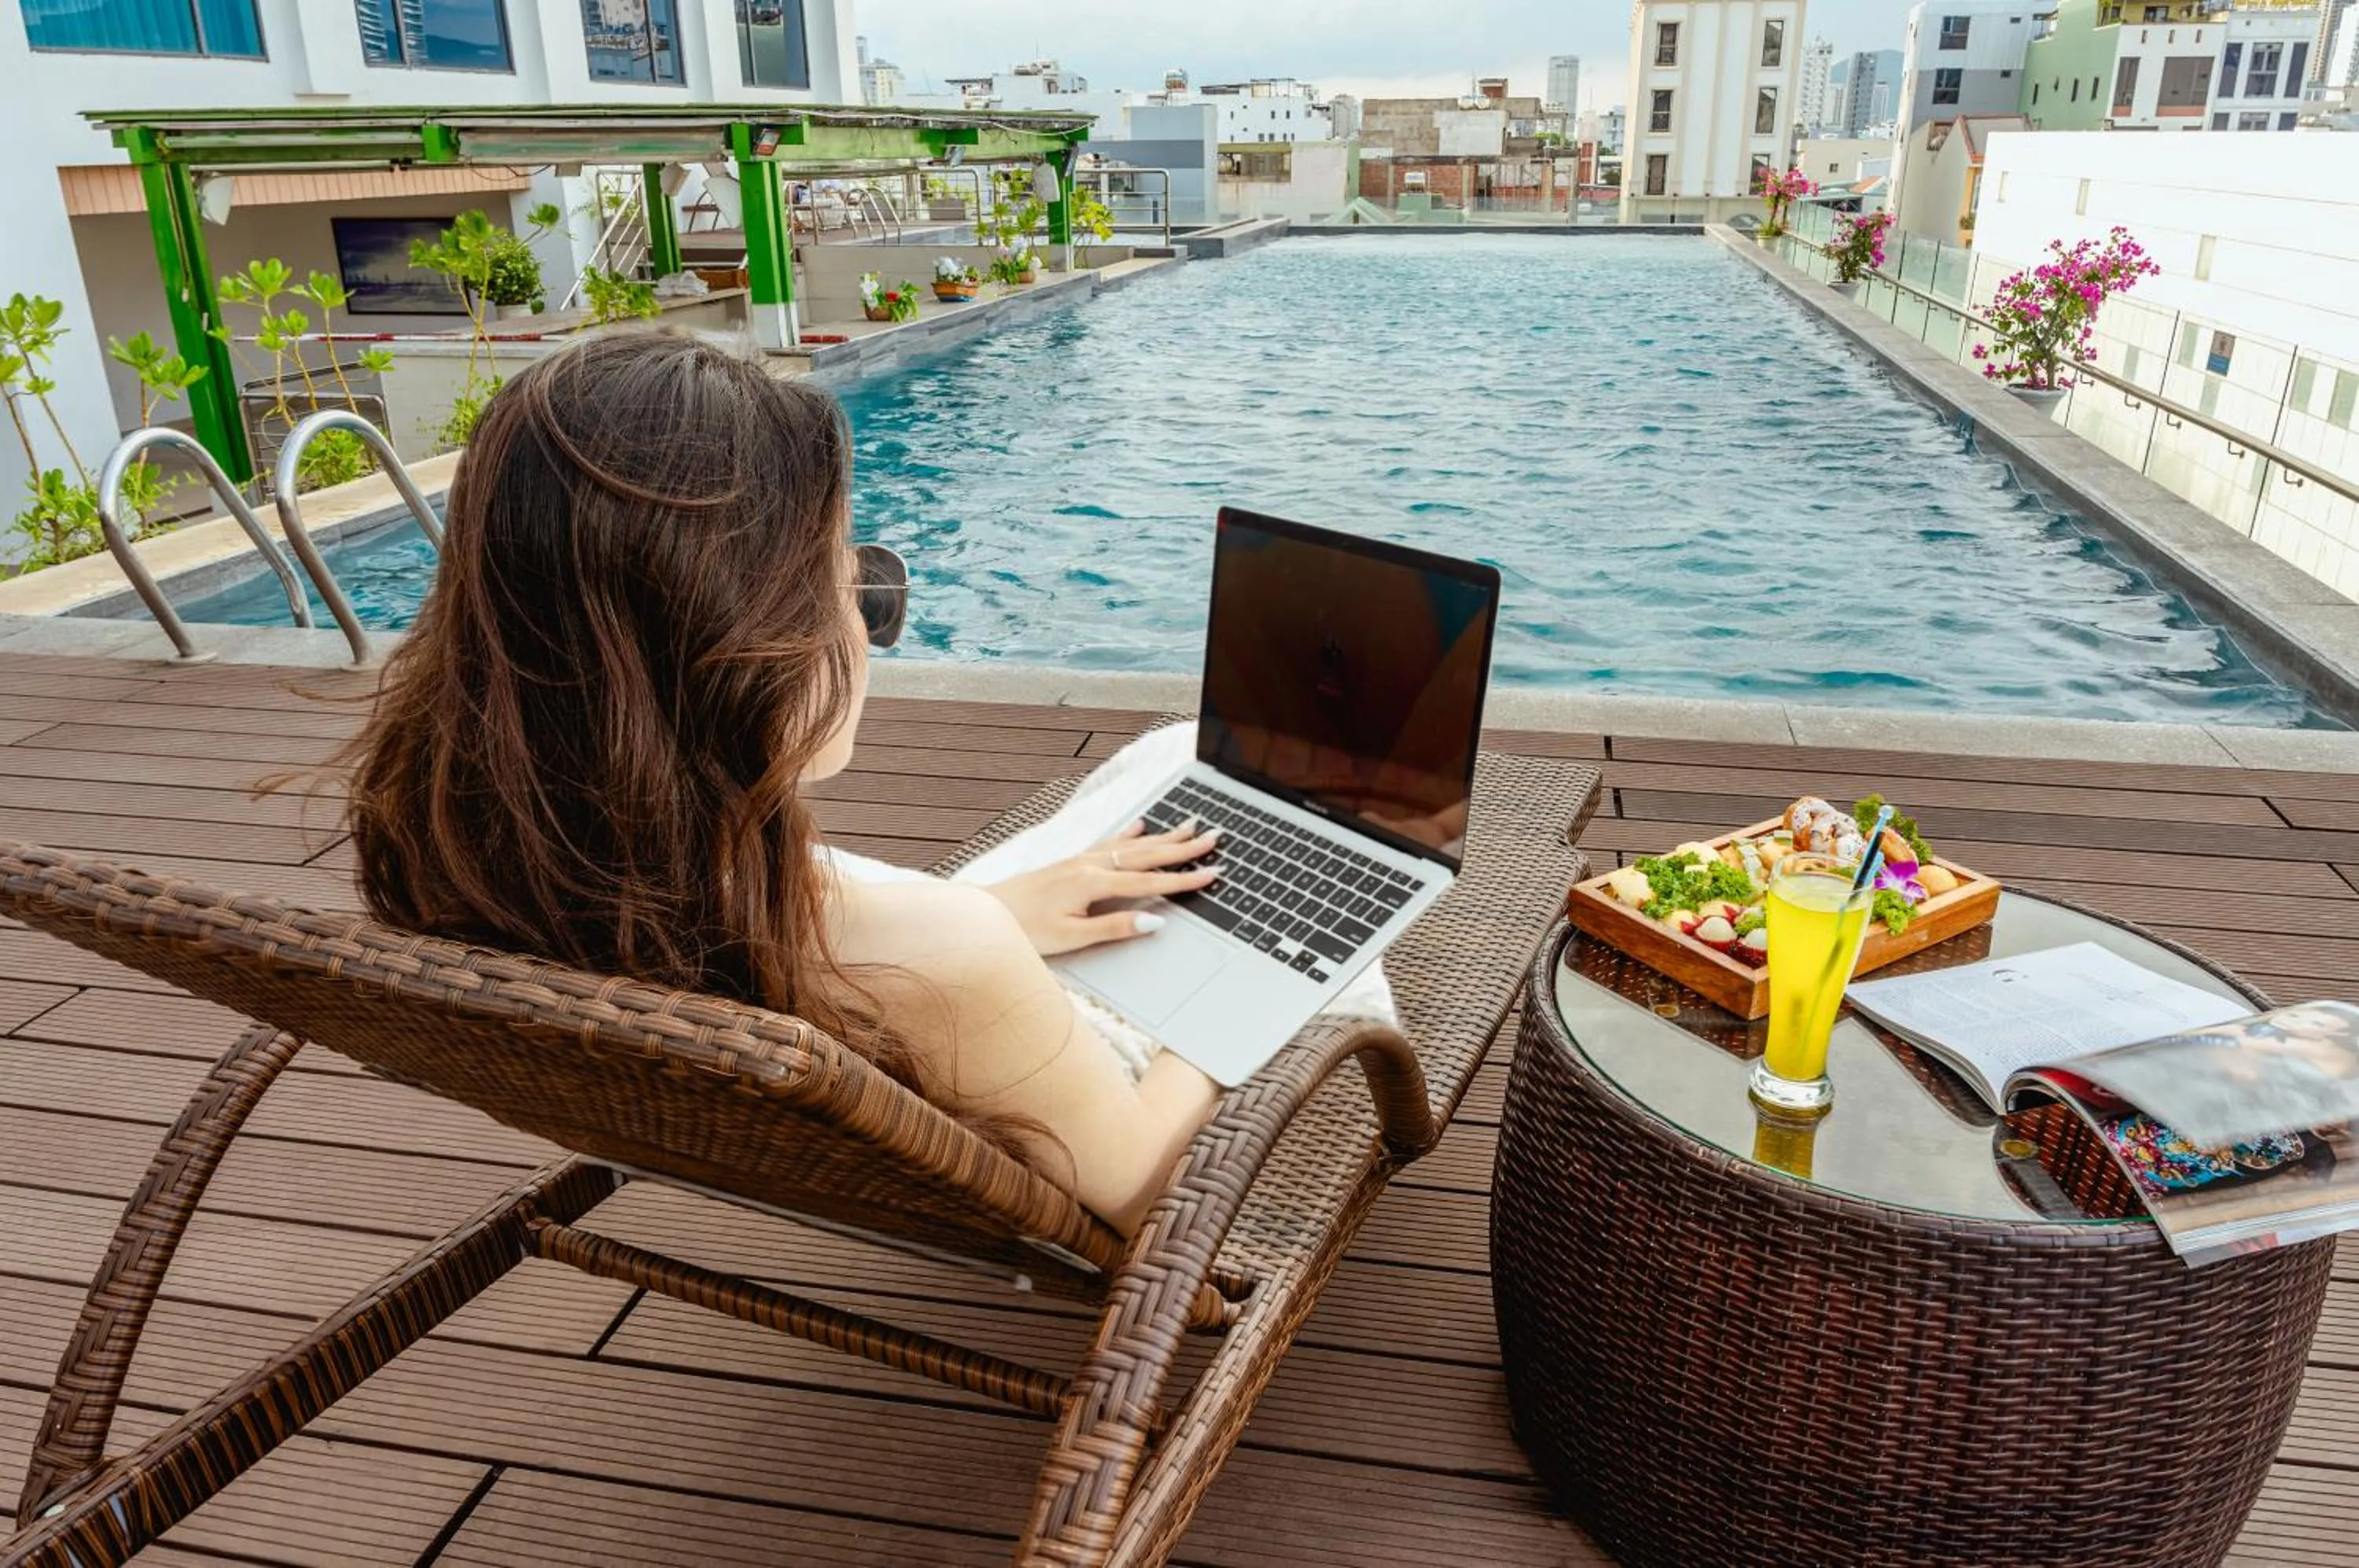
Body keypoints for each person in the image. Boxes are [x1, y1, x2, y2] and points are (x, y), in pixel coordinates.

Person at [338, 331, 1225, 1233]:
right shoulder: (943, 948)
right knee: (1183, 756)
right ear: (734, 650)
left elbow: (819, 945)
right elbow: (1137, 1192)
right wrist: (1232, 1006)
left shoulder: (465, 849)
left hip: (861, 1027)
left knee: (1167, 765)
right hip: (1027, 1069)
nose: (865, 614)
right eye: (842, 579)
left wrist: (999, 908)